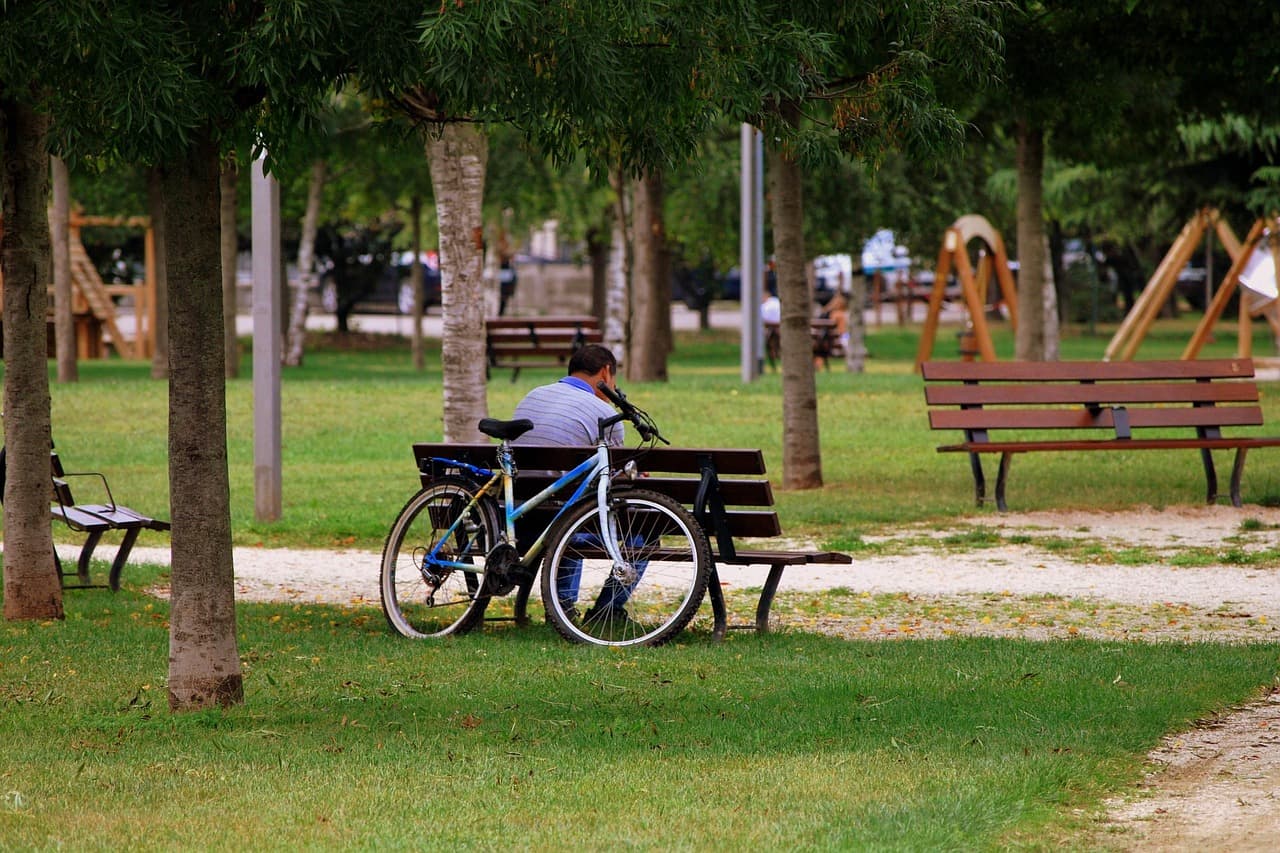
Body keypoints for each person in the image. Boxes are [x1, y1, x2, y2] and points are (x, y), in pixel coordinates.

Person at [511, 345, 642, 626]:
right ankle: (606, 611)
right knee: (643, 538)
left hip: (517, 520)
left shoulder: (532, 396)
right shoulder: (604, 413)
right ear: (606, 372)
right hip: (566, 523)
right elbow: (612, 483)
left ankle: (563, 607)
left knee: (569, 509)